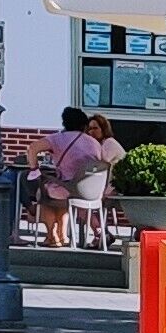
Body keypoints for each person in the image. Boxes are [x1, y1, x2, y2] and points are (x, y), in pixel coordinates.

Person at [39, 104, 122, 243]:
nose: (91, 132)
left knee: (63, 193)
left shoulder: (108, 143)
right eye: (89, 129)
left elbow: (98, 165)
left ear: (104, 129)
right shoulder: (96, 144)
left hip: (111, 188)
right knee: (79, 196)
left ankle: (97, 232)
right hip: (97, 187)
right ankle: (100, 232)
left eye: (95, 128)